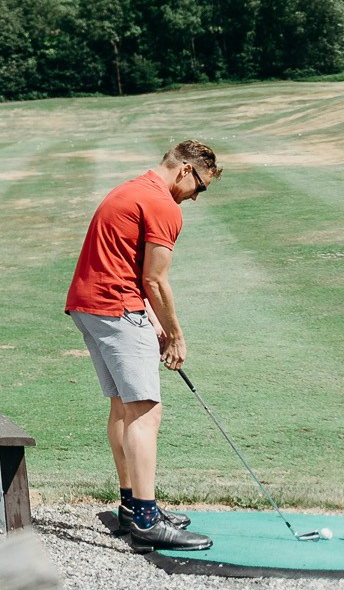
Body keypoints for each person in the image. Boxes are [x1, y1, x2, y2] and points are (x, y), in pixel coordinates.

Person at [66, 140, 222, 551]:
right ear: (186, 170)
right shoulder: (163, 205)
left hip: (90, 305)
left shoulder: (130, 189)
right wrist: (175, 334)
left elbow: (125, 263)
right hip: (115, 308)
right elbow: (154, 279)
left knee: (122, 404)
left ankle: (132, 506)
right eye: (200, 187)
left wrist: (149, 319)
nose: (196, 197)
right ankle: (147, 520)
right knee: (146, 411)